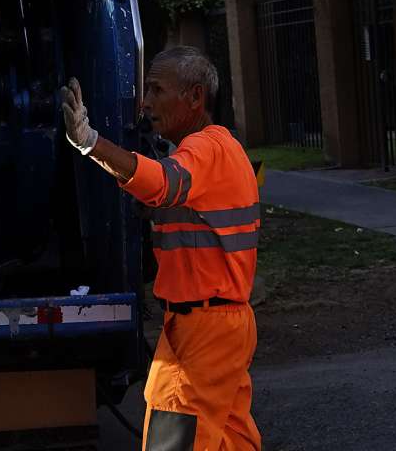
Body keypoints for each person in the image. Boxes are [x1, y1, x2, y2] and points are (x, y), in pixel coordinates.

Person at [61, 47, 261, 451]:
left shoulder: (207, 149)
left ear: (195, 97)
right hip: (214, 322)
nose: (146, 102)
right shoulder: (216, 149)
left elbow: (163, 183)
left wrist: (90, 143)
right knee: (228, 440)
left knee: (174, 437)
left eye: (157, 90)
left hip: (204, 326)